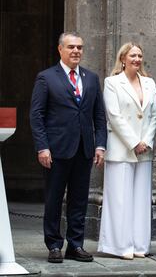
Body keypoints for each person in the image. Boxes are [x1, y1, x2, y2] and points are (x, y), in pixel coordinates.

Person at [30, 32, 107, 263]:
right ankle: (54, 245)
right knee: (54, 199)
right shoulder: (46, 78)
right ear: (60, 50)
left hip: (84, 150)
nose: (76, 51)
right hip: (56, 150)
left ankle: (76, 245)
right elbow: (36, 115)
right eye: (71, 47)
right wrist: (42, 147)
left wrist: (100, 145)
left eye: (80, 47)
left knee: (79, 200)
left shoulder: (91, 78)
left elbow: (99, 116)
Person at [97, 43, 156, 260]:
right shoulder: (112, 83)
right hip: (122, 149)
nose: (137, 59)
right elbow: (114, 116)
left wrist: (146, 142)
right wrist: (134, 142)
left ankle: (140, 246)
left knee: (142, 200)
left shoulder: (150, 83)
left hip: (144, 151)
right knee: (119, 199)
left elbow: (153, 116)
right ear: (123, 58)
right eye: (133, 55)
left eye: (140, 55)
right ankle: (120, 246)